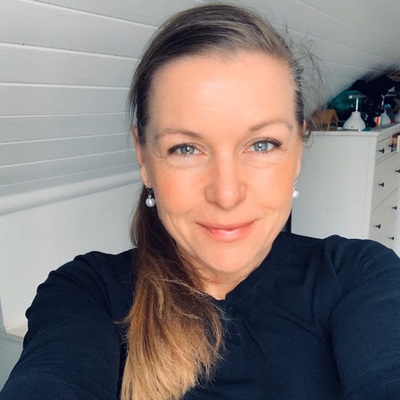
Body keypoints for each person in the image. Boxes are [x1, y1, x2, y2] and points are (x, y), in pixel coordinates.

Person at [1, 3, 400, 400]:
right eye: (186, 148)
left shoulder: (359, 276)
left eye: (262, 144)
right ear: (143, 157)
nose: (226, 195)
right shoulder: (87, 293)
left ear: (297, 151)